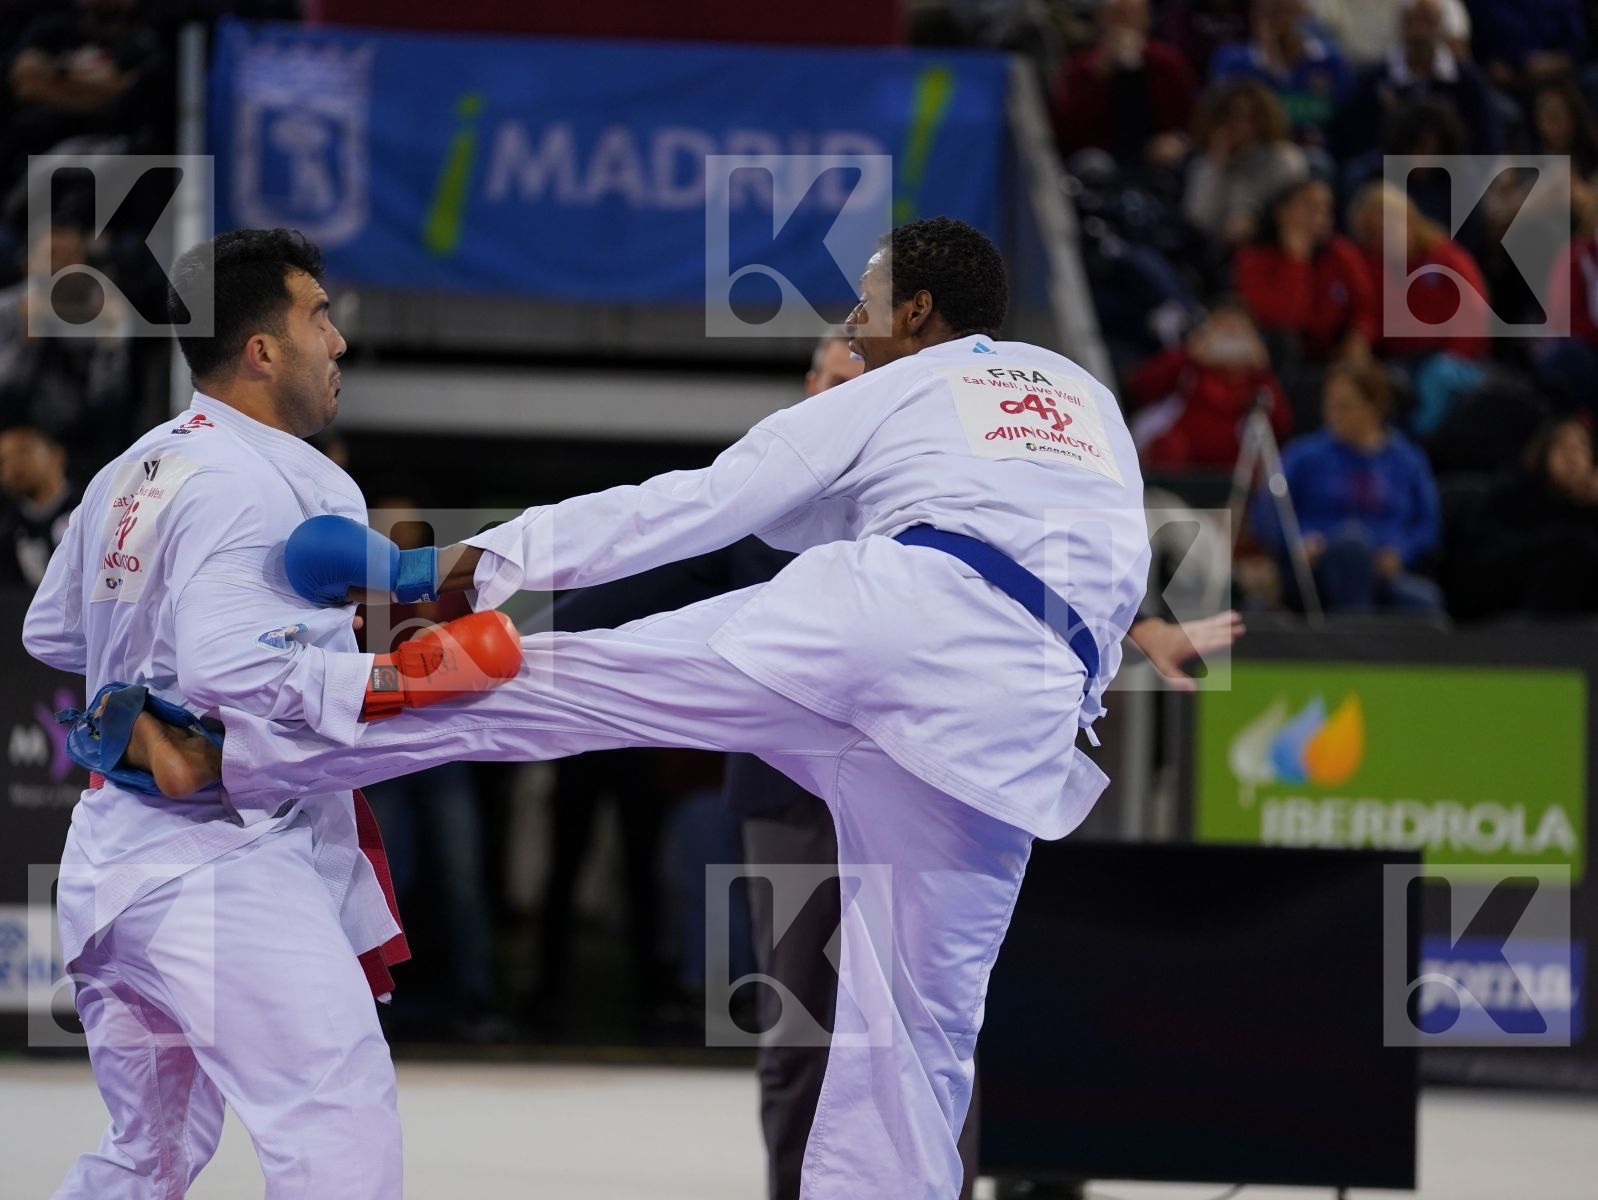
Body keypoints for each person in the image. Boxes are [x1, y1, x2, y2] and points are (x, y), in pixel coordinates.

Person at [127, 216, 1158, 1200]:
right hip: (1019, 710)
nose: (850, 325)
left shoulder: (903, 381)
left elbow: (705, 503)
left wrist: (488, 555)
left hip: (894, 620)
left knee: (554, 684)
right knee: (918, 1042)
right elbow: (1109, 557)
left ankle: (235, 757)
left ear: (920, 312)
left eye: (867, 304)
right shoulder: (1082, 396)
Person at [22, 228, 520, 1198]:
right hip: (222, 863)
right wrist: (402, 680)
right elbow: (230, 668)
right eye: (319, 319)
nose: (338, 343)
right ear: (262, 349)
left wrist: (144, 685)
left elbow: (55, 634)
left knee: (149, 1152)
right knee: (335, 1126)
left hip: (116, 866)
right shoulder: (278, 483)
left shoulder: (134, 467)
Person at [1251, 360, 1443, 613]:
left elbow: (1427, 523)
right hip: (1319, 572)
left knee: (1426, 604)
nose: (1333, 413)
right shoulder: (1304, 455)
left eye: (1345, 406)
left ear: (1374, 408)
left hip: (1381, 574)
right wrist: (1298, 540)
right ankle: (1355, 637)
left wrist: (1401, 551)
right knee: (1352, 543)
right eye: (1329, 404)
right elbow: (1266, 511)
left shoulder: (1407, 460)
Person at [1447, 416, 1598, 617]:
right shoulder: (1514, 492)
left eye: (1580, 449)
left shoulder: (1588, 505)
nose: (1573, 459)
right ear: (1542, 453)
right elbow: (1482, 559)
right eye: (1563, 449)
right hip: (1501, 590)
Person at [1129, 299, 1291, 468]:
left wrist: (1262, 372)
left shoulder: (1257, 379)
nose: (1229, 341)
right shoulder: (1188, 367)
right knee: (1167, 446)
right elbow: (1140, 388)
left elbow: (1282, 427)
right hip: (1183, 465)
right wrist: (1188, 355)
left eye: (1236, 332)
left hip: (1236, 471)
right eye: (1223, 330)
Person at [1234, 177, 1378, 365]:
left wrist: (1359, 336)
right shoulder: (1253, 258)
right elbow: (1283, 319)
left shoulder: (1341, 253)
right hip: (1280, 357)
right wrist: (1296, 259)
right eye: (1310, 207)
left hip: (1333, 353)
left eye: (1325, 209)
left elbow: (1366, 307)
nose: (1320, 216)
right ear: (1281, 212)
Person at [1331, 0, 1499, 159]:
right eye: (1411, 21)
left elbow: (1485, 137)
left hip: (1452, 169)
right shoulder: (1374, 81)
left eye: (1426, 20)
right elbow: (1355, 137)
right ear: (1401, 25)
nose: (1419, 31)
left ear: (1440, 24)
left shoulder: (1467, 80)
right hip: (1388, 167)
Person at [1050, 0, 1198, 173]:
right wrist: (1098, 76)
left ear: (1147, 20)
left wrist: (1177, 139)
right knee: (1093, 166)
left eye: (1132, 15)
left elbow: (1190, 119)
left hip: (1156, 151)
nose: (1124, 23)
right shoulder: (1079, 67)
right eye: (1117, 15)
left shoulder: (1167, 62)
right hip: (1101, 153)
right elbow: (1065, 133)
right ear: (1101, 19)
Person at [1182, 77, 1309, 248]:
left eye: (1249, 118)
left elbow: (1295, 215)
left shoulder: (1284, 158)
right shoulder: (1205, 164)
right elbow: (1197, 221)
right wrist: (1217, 168)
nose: (1239, 126)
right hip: (1215, 251)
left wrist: (1257, 223)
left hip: (1269, 246)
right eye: (1232, 117)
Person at [1208, 0, 1352, 145]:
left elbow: (1343, 113)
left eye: (1283, 12)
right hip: (1254, 152)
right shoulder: (1233, 61)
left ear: (1303, 13)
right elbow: (1223, 116)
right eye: (1266, 12)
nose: (1275, 22)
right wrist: (1272, 66)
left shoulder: (1329, 59)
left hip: (1323, 152)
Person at [0, 424, 79, 587]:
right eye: (3, 460)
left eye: (22, 452)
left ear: (56, 455)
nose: (13, 465)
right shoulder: (8, 529)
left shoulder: (89, 507)